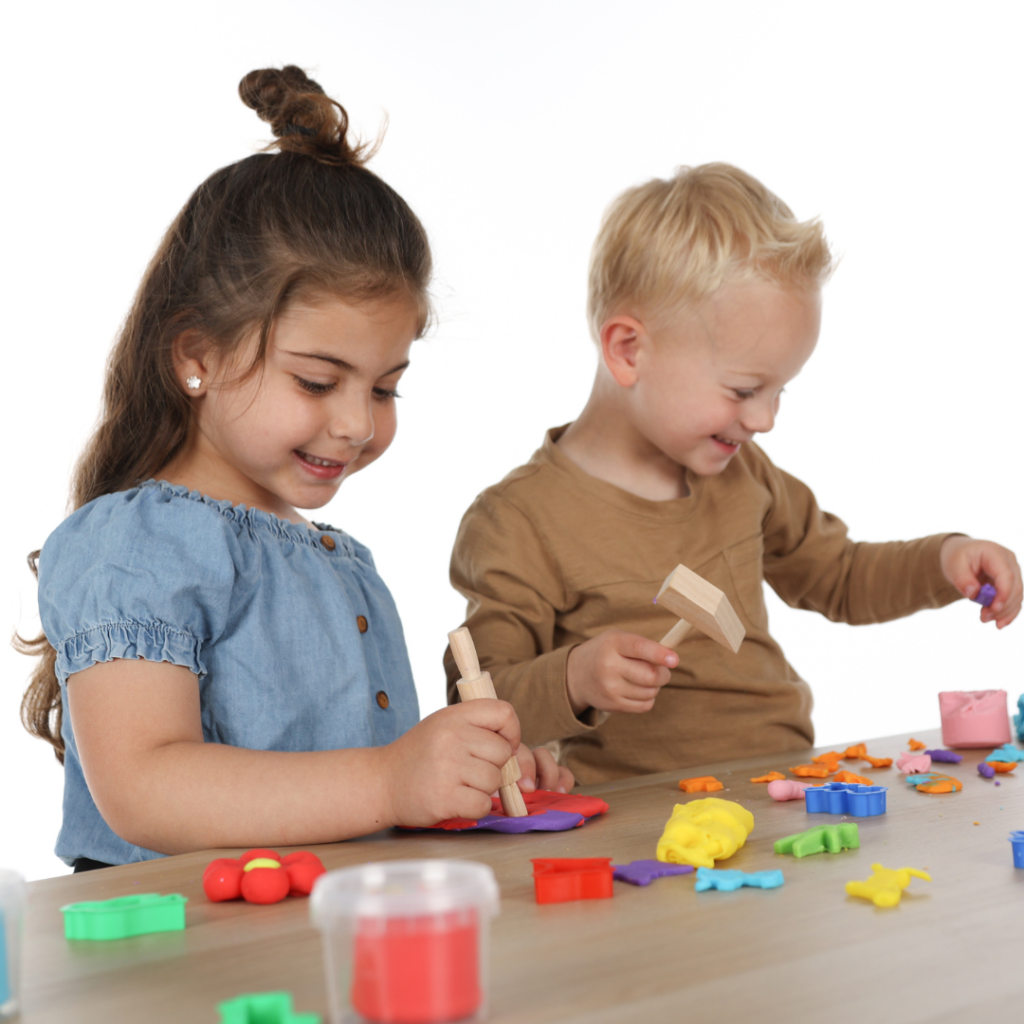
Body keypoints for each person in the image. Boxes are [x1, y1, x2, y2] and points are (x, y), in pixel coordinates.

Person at [19, 66, 571, 871]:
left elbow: (353, 792)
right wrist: (390, 780)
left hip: (312, 954)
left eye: (385, 387)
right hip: (179, 976)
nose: (355, 423)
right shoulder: (133, 543)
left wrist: (468, 776)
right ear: (196, 357)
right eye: (317, 381)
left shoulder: (343, 563)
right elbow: (143, 785)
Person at [444, 163, 1022, 785]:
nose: (766, 419)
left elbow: (840, 575)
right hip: (635, 821)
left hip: (782, 783)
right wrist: (576, 676)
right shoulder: (519, 520)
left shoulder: (743, 475)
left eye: (780, 392)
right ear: (629, 350)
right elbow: (477, 703)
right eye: (745, 389)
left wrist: (944, 559)